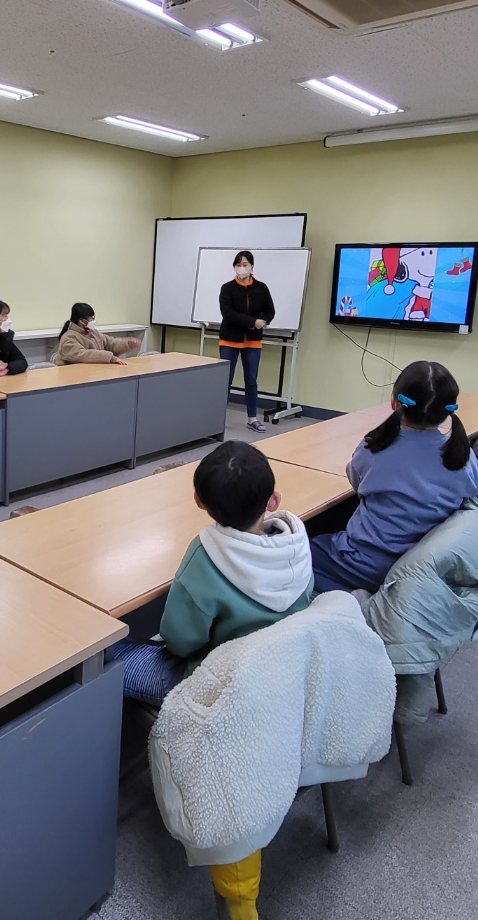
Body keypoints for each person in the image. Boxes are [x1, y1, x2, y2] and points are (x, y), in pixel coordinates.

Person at [106, 441, 313, 704]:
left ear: (199, 501)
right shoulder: (296, 542)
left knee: (109, 655)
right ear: (273, 500)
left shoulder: (205, 556)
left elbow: (180, 642)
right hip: (283, 663)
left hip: (217, 683)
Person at [310, 361, 478, 594]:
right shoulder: (462, 455)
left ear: (394, 402)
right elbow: (473, 492)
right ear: (448, 411)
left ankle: (358, 599)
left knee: (299, 553)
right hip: (425, 567)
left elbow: (357, 483)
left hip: (365, 564)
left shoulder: (374, 447)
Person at [218, 251, 275, 434]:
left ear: (252, 266)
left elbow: (270, 311)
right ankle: (218, 419)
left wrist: (262, 321)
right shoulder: (227, 288)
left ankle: (252, 418)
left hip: (252, 342)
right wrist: (252, 322)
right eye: (238, 265)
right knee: (225, 380)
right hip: (229, 341)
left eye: (245, 264)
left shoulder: (261, 288)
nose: (242, 268)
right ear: (234, 267)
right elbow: (228, 314)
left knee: (251, 380)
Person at [51, 303, 142, 366]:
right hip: (72, 379)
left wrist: (128, 343)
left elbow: (111, 343)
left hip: (92, 374)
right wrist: (110, 357)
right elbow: (83, 355)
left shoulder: (93, 333)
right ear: (82, 321)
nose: (93, 321)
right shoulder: (68, 338)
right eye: (91, 319)